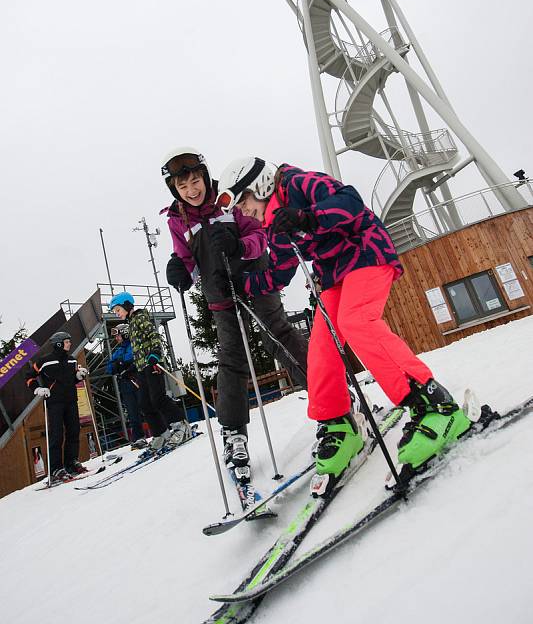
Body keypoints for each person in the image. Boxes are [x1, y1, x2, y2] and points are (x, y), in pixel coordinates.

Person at [216, 158, 474, 490]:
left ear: (261, 185)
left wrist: (306, 217)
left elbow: (350, 202)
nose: (244, 211)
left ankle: (433, 404)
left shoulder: (298, 184)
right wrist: (241, 285)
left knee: (356, 321)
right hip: (334, 276)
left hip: (366, 252)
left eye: (244, 201)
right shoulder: (274, 227)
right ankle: (339, 423)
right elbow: (279, 273)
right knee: (321, 346)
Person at [160, 147, 308, 482]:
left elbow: (259, 234)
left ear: (204, 177)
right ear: (175, 189)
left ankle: (330, 392)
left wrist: (240, 246)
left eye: (196, 181)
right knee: (231, 357)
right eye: (184, 187)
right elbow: (185, 258)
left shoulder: (228, 200)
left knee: (277, 335)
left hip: (254, 277)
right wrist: (179, 270)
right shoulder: (176, 219)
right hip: (218, 291)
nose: (192, 190)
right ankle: (234, 435)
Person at [108, 292, 192, 452]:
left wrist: (155, 353)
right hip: (141, 368)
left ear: (126, 305)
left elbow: (153, 335)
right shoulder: (131, 323)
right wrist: (131, 369)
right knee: (145, 403)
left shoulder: (140, 317)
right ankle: (161, 434)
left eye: (117, 310)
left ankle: (181, 426)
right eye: (115, 311)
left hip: (152, 364)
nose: (116, 313)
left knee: (158, 397)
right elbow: (137, 348)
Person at [26, 331, 88, 482]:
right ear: (58, 343)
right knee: (56, 435)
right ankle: (56, 468)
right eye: (67, 341)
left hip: (71, 400)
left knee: (74, 431)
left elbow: (71, 379)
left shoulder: (72, 361)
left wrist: (78, 376)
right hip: (54, 403)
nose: (69, 344)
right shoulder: (45, 361)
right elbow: (29, 376)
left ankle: (71, 463)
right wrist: (38, 389)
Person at [106, 324, 147, 449]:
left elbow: (133, 357)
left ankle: (163, 429)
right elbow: (109, 368)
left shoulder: (133, 345)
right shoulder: (118, 350)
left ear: (125, 334)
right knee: (132, 411)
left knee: (147, 405)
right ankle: (138, 437)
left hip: (137, 379)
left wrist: (121, 362)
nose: (117, 338)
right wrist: (119, 363)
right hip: (125, 384)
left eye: (118, 335)